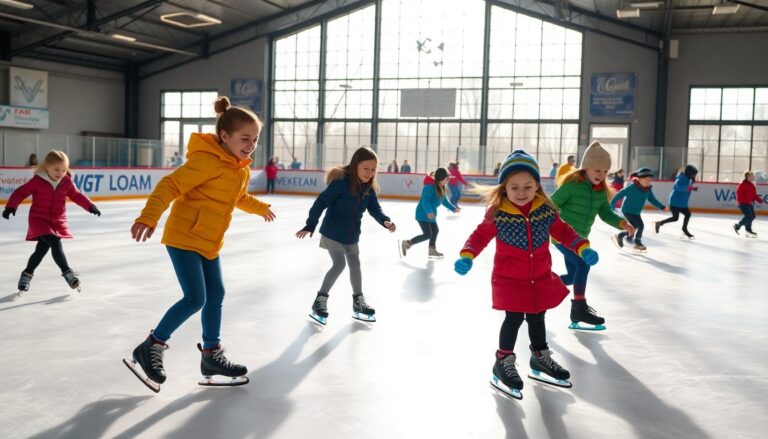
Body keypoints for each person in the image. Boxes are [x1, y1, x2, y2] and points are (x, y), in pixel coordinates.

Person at [125, 96, 275, 392]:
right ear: (225, 136)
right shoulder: (205, 161)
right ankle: (152, 345)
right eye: (244, 138)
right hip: (184, 237)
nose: (251, 144)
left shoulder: (240, 168)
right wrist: (149, 216)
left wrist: (260, 208)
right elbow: (170, 185)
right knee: (195, 298)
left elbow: (238, 198)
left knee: (216, 293)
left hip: (209, 241)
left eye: (255, 139)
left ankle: (211, 355)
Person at [453, 150, 599, 400]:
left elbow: (564, 231)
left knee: (537, 316)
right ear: (504, 188)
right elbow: (479, 236)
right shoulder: (498, 213)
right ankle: (503, 360)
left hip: (539, 276)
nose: (521, 192)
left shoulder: (546, 210)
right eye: (515, 187)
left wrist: (582, 246)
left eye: (528, 186)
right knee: (513, 318)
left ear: (537, 187)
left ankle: (540, 357)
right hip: (510, 278)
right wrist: (467, 255)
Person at [297, 146, 396, 326]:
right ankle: (320, 300)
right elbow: (321, 202)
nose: (369, 173)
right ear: (355, 165)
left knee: (355, 265)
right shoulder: (341, 183)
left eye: (373, 169)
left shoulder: (368, 188)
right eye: (366, 168)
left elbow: (375, 209)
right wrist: (311, 223)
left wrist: (385, 221)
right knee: (339, 264)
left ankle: (358, 302)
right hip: (333, 231)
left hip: (351, 235)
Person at [550, 141, 634, 330]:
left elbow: (605, 213)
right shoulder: (572, 185)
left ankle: (541, 286)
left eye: (605, 172)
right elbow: (552, 203)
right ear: (586, 167)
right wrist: (548, 222)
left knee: (573, 276)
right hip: (562, 235)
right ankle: (579, 309)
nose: (601, 175)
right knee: (583, 264)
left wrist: (621, 223)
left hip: (580, 239)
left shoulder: (601, 191)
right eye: (597, 170)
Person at [3, 150, 101, 295]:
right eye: (56, 169)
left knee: (40, 251)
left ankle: (26, 274)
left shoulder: (66, 181)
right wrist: (11, 206)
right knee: (55, 243)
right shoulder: (37, 181)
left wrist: (90, 205)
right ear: (46, 167)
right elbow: (20, 192)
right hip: (39, 219)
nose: (60, 173)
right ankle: (68, 273)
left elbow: (77, 195)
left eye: (63, 170)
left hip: (56, 220)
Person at [400, 167, 460, 259]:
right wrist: (428, 211)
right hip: (423, 213)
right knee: (427, 234)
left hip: (431, 214)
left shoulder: (441, 187)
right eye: (446, 179)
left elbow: (444, 201)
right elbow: (425, 201)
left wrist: (453, 208)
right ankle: (407, 243)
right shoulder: (429, 187)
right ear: (440, 178)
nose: (448, 181)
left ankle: (432, 250)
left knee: (435, 231)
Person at [610, 168, 666, 252]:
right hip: (627, 210)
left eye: (650, 180)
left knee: (634, 227)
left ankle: (620, 235)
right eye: (646, 180)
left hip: (636, 212)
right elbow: (619, 194)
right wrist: (612, 205)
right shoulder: (631, 188)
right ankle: (637, 243)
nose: (648, 182)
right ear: (639, 179)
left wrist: (662, 207)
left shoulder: (647, 189)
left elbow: (652, 199)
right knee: (639, 226)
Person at [654, 165, 698, 239]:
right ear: (689, 173)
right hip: (675, 202)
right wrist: (690, 187)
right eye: (694, 174)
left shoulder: (688, 179)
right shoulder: (681, 178)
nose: (694, 175)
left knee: (687, 214)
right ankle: (659, 223)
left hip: (682, 203)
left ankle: (683, 229)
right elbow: (679, 187)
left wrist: (691, 187)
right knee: (676, 218)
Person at [734, 170, 764, 238]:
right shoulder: (743, 184)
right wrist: (739, 201)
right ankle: (743, 228)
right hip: (743, 203)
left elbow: (754, 195)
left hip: (749, 203)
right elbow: (739, 193)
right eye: (752, 175)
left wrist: (760, 200)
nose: (753, 176)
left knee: (752, 216)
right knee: (749, 216)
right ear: (748, 176)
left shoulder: (752, 185)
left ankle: (743, 228)